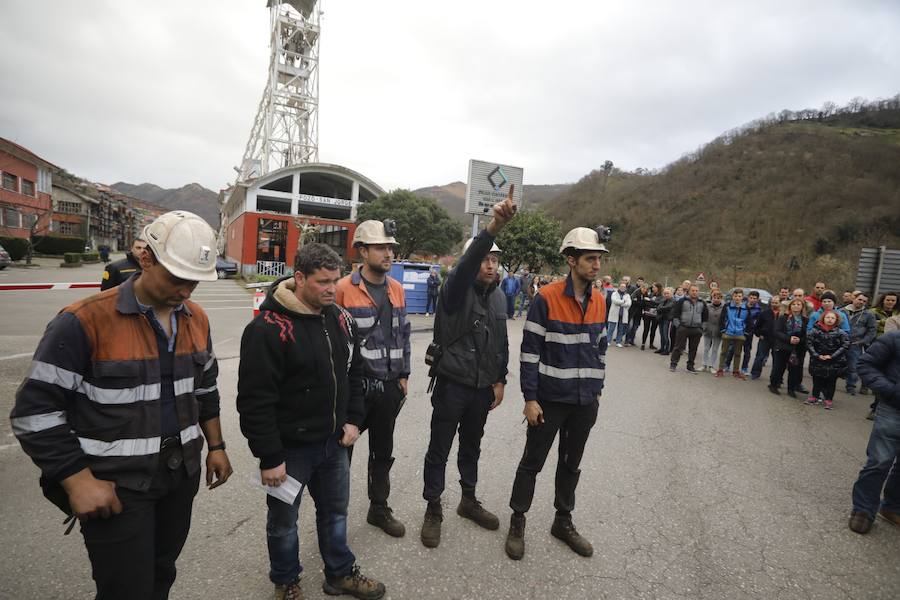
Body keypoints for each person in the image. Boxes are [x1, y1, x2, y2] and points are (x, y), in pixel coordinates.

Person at [10, 210, 232, 600]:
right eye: (177, 278)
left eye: (194, 282)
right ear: (146, 259)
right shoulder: (83, 321)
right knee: (125, 589)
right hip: (118, 487)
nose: (186, 291)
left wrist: (215, 447)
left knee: (161, 575)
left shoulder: (196, 319)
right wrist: (77, 480)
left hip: (179, 479)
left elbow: (205, 390)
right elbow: (34, 410)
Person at [237, 243, 386, 600]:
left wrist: (353, 421)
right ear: (299, 278)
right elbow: (255, 401)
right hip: (289, 451)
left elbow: (355, 372)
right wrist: (270, 456)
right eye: (323, 282)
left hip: (334, 444)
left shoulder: (338, 318)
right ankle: (287, 582)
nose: (332, 289)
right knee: (283, 523)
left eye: (335, 281)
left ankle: (339, 573)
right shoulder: (268, 328)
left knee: (336, 513)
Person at [505, 227, 608, 560]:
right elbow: (530, 352)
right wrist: (530, 399)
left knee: (570, 464)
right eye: (590, 258)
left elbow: (601, 349)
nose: (596, 265)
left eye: (599, 259)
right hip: (549, 400)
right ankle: (517, 520)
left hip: (583, 402)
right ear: (571, 259)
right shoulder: (546, 298)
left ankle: (562, 521)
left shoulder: (600, 300)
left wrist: (597, 391)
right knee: (531, 463)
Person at [420, 195, 515, 549]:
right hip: (452, 384)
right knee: (439, 448)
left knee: (471, 447)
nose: (490, 265)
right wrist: (493, 228)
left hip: (481, 388)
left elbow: (501, 342)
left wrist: (500, 379)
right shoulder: (455, 291)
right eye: (485, 258)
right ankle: (433, 508)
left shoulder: (500, 298)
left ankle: (468, 500)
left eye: (495, 260)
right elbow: (465, 265)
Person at [335, 221, 411, 538]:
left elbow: (403, 336)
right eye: (380, 247)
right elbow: (336, 345)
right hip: (357, 391)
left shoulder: (397, 290)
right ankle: (335, 517)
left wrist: (404, 375)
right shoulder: (342, 289)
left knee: (383, 451)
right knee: (341, 456)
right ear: (363, 251)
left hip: (389, 388)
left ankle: (378, 509)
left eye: (390, 247)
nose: (388, 253)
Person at [848, 330, 900, 534]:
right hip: (893, 409)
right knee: (879, 461)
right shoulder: (893, 338)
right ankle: (863, 509)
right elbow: (865, 364)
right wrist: (891, 391)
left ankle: (891, 507)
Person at [805, 310, 850, 410]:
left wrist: (832, 356)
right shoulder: (814, 331)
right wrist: (816, 355)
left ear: (837, 320)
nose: (830, 320)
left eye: (832, 318)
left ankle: (829, 399)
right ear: (823, 318)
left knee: (831, 381)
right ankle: (814, 396)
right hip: (817, 360)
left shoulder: (840, 333)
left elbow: (845, 345)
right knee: (816, 380)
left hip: (834, 362)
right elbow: (809, 343)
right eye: (828, 317)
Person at [768, 298, 808, 397]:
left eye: (799, 304)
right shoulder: (783, 317)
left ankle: (791, 389)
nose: (796, 306)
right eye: (794, 304)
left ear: (802, 307)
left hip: (797, 349)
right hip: (782, 346)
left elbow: (807, 334)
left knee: (794, 370)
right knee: (778, 368)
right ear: (790, 306)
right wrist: (788, 339)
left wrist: (800, 340)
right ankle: (774, 385)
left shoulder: (805, 320)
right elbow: (777, 331)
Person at [669, 284, 707, 374]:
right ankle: (673, 364)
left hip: (696, 329)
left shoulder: (702, 303)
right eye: (693, 290)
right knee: (678, 347)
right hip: (683, 328)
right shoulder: (682, 301)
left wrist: (702, 328)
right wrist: (679, 326)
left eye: (696, 291)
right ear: (689, 291)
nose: (695, 292)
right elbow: (675, 315)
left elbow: (705, 317)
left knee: (693, 349)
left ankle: (690, 366)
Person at [844, 293, 877, 396]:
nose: (861, 302)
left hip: (855, 343)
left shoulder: (869, 314)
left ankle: (851, 386)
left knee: (853, 366)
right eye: (860, 299)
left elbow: (872, 330)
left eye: (864, 301)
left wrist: (862, 341)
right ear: (854, 298)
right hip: (839, 341)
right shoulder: (842, 310)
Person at [717, 289, 750, 379]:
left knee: (738, 353)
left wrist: (745, 333)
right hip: (728, 332)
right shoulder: (727, 306)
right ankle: (720, 369)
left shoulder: (746, 308)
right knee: (724, 352)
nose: (737, 298)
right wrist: (723, 330)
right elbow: (722, 319)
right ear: (733, 296)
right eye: (735, 296)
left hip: (740, 333)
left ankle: (736, 371)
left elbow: (749, 322)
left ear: (742, 297)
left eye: (739, 296)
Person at [749, 293, 780, 380]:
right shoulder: (764, 313)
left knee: (777, 359)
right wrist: (759, 334)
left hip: (777, 340)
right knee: (760, 357)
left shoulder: (783, 314)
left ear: (780, 303)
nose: (774, 304)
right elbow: (757, 326)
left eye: (776, 303)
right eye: (773, 302)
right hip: (765, 338)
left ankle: (775, 377)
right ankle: (755, 373)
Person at [702, 290, 725, 372]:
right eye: (714, 297)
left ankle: (712, 366)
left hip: (718, 332)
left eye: (718, 298)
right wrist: (704, 327)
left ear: (721, 299)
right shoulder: (707, 306)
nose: (716, 299)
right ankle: (704, 364)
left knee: (715, 349)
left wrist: (723, 330)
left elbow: (725, 319)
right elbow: (704, 317)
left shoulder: (724, 308)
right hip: (708, 330)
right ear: (712, 298)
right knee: (706, 348)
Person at [607, 282, 632, 348]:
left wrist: (621, 303)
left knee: (620, 329)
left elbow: (629, 303)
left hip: (622, 314)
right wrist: (623, 301)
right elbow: (615, 301)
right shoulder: (614, 294)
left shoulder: (627, 295)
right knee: (611, 328)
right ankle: (608, 341)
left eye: (624, 287)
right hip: (614, 313)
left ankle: (618, 342)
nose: (622, 288)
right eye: (621, 286)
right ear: (619, 287)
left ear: (626, 288)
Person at [640, 283, 662, 350]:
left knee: (653, 330)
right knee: (646, 329)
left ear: (658, 288)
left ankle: (651, 344)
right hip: (647, 314)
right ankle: (643, 343)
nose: (653, 289)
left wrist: (650, 301)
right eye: (652, 288)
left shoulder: (661, 296)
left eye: (654, 287)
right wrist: (652, 302)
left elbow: (659, 303)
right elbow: (645, 302)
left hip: (655, 315)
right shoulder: (650, 294)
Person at [656, 287, 675, 355]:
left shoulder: (673, 301)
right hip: (661, 319)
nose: (666, 295)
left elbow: (668, 307)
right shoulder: (663, 300)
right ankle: (662, 348)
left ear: (671, 294)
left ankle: (667, 349)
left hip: (667, 319)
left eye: (668, 293)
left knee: (665, 335)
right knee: (661, 334)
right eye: (665, 293)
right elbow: (658, 308)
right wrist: (661, 308)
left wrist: (661, 308)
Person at [625, 281, 645, 346]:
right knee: (629, 327)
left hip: (639, 314)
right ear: (641, 288)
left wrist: (640, 302)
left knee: (635, 327)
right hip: (632, 312)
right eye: (643, 288)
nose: (644, 290)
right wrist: (641, 302)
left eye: (645, 289)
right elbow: (633, 301)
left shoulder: (645, 294)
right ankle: (627, 340)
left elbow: (646, 303)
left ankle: (632, 340)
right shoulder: (636, 292)